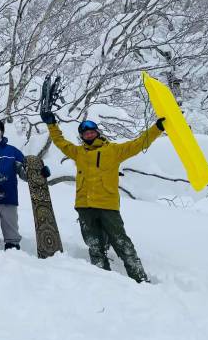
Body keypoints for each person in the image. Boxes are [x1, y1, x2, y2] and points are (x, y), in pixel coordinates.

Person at [42, 108, 164, 283]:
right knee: (94, 245)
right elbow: (60, 142)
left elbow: (138, 144)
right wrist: (51, 124)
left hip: (107, 205)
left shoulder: (113, 151)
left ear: (97, 133)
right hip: (84, 206)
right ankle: (104, 279)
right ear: (82, 136)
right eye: (85, 133)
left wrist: (157, 128)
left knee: (122, 242)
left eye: (92, 131)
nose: (89, 135)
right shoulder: (78, 153)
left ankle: (140, 278)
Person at [0, 118, 46, 252]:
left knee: (10, 226)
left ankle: (12, 248)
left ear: (2, 132)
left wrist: (39, 173)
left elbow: (25, 173)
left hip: (8, 196)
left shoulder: (12, 152)